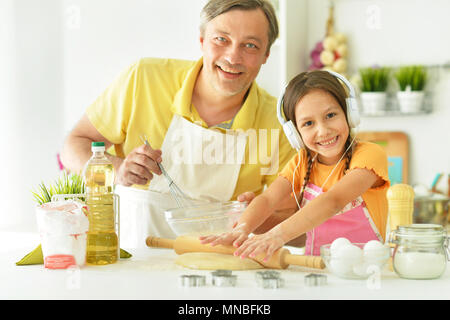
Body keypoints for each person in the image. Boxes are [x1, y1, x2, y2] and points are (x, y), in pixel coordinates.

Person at [60, 0, 296, 247]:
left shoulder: (279, 123)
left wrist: (254, 217)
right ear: (202, 40)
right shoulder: (145, 79)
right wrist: (116, 170)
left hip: (218, 273)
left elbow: (294, 223)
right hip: (131, 260)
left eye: (250, 45)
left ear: (266, 54)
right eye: (221, 39)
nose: (232, 57)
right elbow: (73, 147)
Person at [200, 70, 390, 259]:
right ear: (295, 132)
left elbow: (333, 202)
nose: (323, 131)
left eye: (331, 115)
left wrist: (277, 235)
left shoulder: (370, 155)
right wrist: (242, 228)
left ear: (349, 114)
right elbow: (267, 199)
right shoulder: (302, 161)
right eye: (308, 123)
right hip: (316, 267)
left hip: (364, 267)